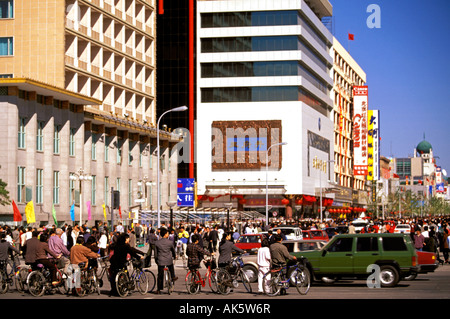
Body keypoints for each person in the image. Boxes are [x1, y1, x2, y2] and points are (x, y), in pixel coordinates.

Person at [154, 227, 177, 294]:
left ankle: (159, 289)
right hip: (169, 260)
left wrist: (156, 260)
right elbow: (173, 251)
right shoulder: (170, 242)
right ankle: (173, 277)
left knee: (160, 275)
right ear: (165, 234)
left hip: (160, 260)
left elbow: (155, 254)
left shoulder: (157, 243)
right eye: (167, 233)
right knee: (171, 267)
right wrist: (174, 256)